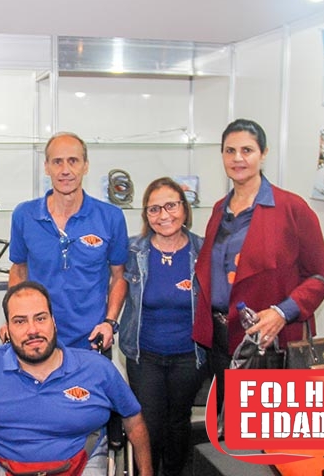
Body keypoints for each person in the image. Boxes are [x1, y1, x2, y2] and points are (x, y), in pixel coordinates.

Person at [192, 118, 324, 411]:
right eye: (230, 151)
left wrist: (283, 312)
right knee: (228, 427)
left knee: (264, 430)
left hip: (270, 346)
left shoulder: (292, 208)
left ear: (264, 153)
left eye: (247, 150)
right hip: (221, 342)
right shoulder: (219, 210)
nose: (237, 158)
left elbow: (321, 278)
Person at [0, 281, 153, 476]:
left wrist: (146, 472)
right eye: (20, 321)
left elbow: (134, 421)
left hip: (81, 464)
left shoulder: (97, 368)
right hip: (4, 465)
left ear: (54, 323)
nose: (32, 330)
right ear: (7, 329)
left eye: (40, 318)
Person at [6, 132, 129, 352]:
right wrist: (14, 318)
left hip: (92, 341)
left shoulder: (111, 217)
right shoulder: (24, 215)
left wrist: (109, 322)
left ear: (85, 166)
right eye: (57, 162)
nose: (65, 170)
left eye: (73, 161)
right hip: (38, 340)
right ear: (46, 167)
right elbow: (19, 270)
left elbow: (119, 276)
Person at [119, 177, 207, 476]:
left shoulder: (203, 250)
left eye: (171, 205)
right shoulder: (133, 250)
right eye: (154, 209)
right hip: (144, 355)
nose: (164, 215)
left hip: (189, 356)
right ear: (146, 215)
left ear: (184, 208)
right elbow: (110, 286)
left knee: (178, 422)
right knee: (150, 424)